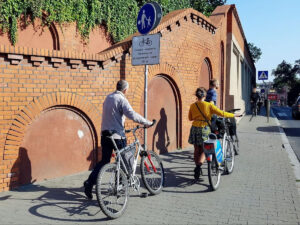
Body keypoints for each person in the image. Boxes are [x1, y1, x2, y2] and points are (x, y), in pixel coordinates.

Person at [83, 80, 153, 199]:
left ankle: (89, 182)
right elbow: (132, 114)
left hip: (105, 135)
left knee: (104, 161)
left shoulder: (108, 97)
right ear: (125, 90)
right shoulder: (121, 99)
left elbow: (111, 115)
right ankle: (119, 185)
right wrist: (147, 122)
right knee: (124, 162)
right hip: (117, 136)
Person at [188, 87, 238, 180]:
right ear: (205, 95)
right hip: (205, 128)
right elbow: (221, 113)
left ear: (196, 95)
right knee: (204, 150)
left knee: (196, 149)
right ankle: (199, 167)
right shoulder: (208, 105)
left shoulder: (192, 105)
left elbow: (190, 118)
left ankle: (197, 167)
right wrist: (233, 115)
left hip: (194, 128)